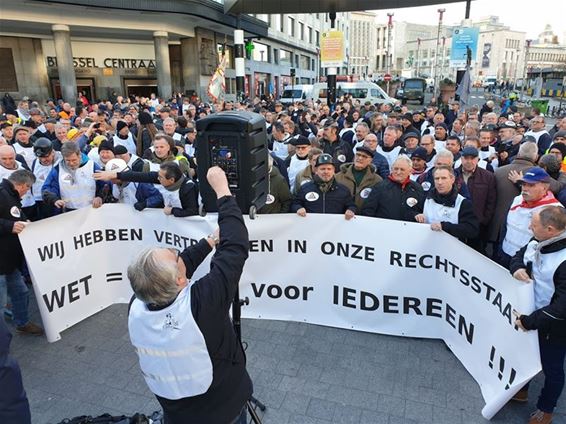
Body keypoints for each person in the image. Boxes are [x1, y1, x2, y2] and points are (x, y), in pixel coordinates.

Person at [128, 166, 252, 424]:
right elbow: (236, 248)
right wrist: (223, 192)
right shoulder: (202, 303)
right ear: (180, 280)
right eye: (174, 256)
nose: (178, 253)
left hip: (177, 411)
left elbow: (181, 266)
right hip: (224, 406)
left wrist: (208, 242)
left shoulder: (137, 304)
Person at [510, 206, 566, 424]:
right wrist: (517, 269)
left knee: (552, 368)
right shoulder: (537, 240)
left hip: (555, 326)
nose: (529, 228)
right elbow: (517, 256)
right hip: (534, 314)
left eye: (533, 225)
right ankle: (521, 390)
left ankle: (546, 409)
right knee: (525, 354)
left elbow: (562, 308)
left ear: (550, 229)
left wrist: (528, 322)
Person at [0, 170, 44, 336]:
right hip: (1, 263)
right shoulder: (2, 194)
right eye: (28, 188)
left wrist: (26, 221)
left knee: (21, 292)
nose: (28, 191)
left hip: (10, 262)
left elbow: (15, 214)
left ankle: (22, 323)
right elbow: (9, 221)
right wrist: (9, 227)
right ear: (21, 185)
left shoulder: (11, 196)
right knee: (2, 302)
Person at [500, 167, 563, 268]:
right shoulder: (517, 199)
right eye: (523, 184)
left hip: (527, 264)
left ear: (544, 188)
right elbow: (505, 227)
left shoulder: (555, 210)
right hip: (504, 254)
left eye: (531, 185)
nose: (525, 188)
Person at [415, 166, 479, 242]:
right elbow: (409, 212)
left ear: (452, 179)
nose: (440, 182)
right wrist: (416, 215)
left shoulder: (463, 203)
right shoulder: (426, 198)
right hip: (426, 246)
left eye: (444, 178)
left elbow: (472, 230)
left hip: (451, 250)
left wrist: (444, 227)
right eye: (437, 178)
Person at [291, 153, 356, 219]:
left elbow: (351, 205)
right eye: (322, 169)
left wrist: (350, 210)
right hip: (311, 227)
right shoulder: (305, 188)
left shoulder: (343, 190)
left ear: (334, 171)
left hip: (335, 228)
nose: (326, 172)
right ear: (316, 170)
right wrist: (298, 208)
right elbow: (295, 203)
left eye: (329, 169)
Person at [361, 155, 425, 222]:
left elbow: (420, 210)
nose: (398, 172)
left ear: (410, 171)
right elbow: (368, 210)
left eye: (402, 169)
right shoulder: (380, 187)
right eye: (396, 169)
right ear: (391, 169)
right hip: (383, 229)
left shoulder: (417, 188)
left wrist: (417, 215)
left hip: (408, 230)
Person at [335, 145, 382, 210]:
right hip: (342, 216)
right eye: (358, 155)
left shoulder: (377, 180)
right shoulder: (338, 177)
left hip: (365, 217)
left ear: (370, 160)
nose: (360, 158)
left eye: (364, 156)